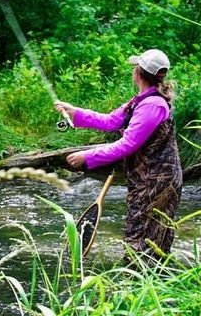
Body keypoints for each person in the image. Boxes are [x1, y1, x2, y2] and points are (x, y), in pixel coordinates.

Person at [55, 49, 183, 261]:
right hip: (147, 179)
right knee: (144, 234)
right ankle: (146, 281)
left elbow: (127, 145)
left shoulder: (153, 105)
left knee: (146, 238)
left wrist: (87, 157)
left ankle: (140, 282)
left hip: (159, 182)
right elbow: (110, 121)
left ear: (138, 73)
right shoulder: (141, 100)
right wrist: (74, 113)